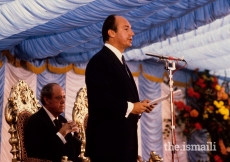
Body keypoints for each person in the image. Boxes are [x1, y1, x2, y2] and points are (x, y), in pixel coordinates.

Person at [85, 14, 155, 162]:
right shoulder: (100, 60)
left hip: (123, 145)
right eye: (126, 28)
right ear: (111, 33)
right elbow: (100, 99)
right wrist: (131, 107)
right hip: (107, 146)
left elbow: (120, 96)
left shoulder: (120, 61)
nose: (132, 33)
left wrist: (140, 106)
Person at [24, 83, 81, 162]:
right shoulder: (36, 121)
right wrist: (61, 134)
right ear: (47, 100)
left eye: (64, 97)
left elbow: (71, 154)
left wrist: (76, 135)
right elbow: (42, 154)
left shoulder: (63, 120)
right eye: (58, 98)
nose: (63, 101)